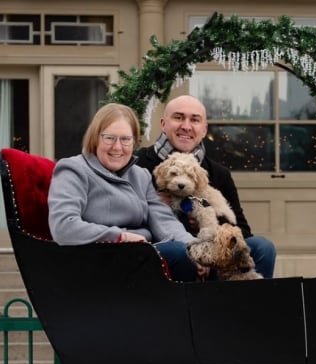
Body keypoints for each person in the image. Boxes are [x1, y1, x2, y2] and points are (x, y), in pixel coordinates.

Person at [48, 102, 201, 282]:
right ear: (95, 138)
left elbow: (164, 220)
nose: (118, 147)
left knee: (205, 257)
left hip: (139, 255)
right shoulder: (74, 169)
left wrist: (195, 247)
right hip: (97, 259)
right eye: (109, 138)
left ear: (134, 141)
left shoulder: (140, 175)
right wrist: (120, 236)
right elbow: (64, 226)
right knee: (177, 255)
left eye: (125, 139)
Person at [135, 94, 277, 278]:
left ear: (204, 129)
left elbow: (241, 229)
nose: (186, 126)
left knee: (262, 247)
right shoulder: (139, 165)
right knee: (179, 252)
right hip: (165, 255)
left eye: (194, 120)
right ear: (163, 124)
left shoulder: (219, 174)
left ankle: (249, 305)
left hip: (212, 253)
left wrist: (205, 224)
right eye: (178, 117)